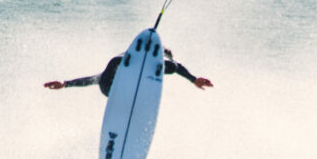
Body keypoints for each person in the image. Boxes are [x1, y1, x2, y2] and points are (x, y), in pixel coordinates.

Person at [44, 48, 213, 96]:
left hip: (120, 83)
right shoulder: (120, 63)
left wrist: (193, 79)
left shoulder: (162, 66)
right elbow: (95, 79)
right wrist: (66, 84)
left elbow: (177, 67)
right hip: (112, 82)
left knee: (168, 66)